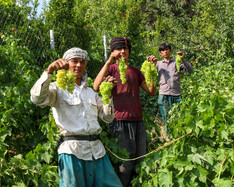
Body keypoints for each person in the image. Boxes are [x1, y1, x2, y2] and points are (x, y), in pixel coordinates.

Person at [30, 47, 123, 187]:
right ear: (66, 64)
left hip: (97, 151)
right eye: (74, 61)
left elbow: (107, 118)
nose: (79, 65)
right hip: (72, 152)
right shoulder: (57, 88)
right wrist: (49, 71)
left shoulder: (90, 92)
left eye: (82, 62)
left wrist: (107, 94)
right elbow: (37, 99)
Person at [93, 37, 156, 187]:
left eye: (125, 48)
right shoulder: (112, 69)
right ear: (113, 52)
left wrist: (152, 70)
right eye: (118, 49)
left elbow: (152, 92)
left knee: (140, 159)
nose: (122, 51)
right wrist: (109, 61)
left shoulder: (135, 71)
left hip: (138, 121)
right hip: (119, 121)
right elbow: (96, 86)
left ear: (129, 51)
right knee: (124, 164)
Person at [148, 43, 193, 133]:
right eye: (163, 50)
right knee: (166, 117)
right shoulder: (158, 64)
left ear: (170, 50)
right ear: (160, 53)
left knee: (179, 116)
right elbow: (150, 75)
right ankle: (169, 136)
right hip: (164, 94)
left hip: (176, 94)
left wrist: (183, 59)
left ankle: (179, 135)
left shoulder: (177, 62)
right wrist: (151, 64)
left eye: (167, 49)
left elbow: (190, 70)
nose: (165, 51)